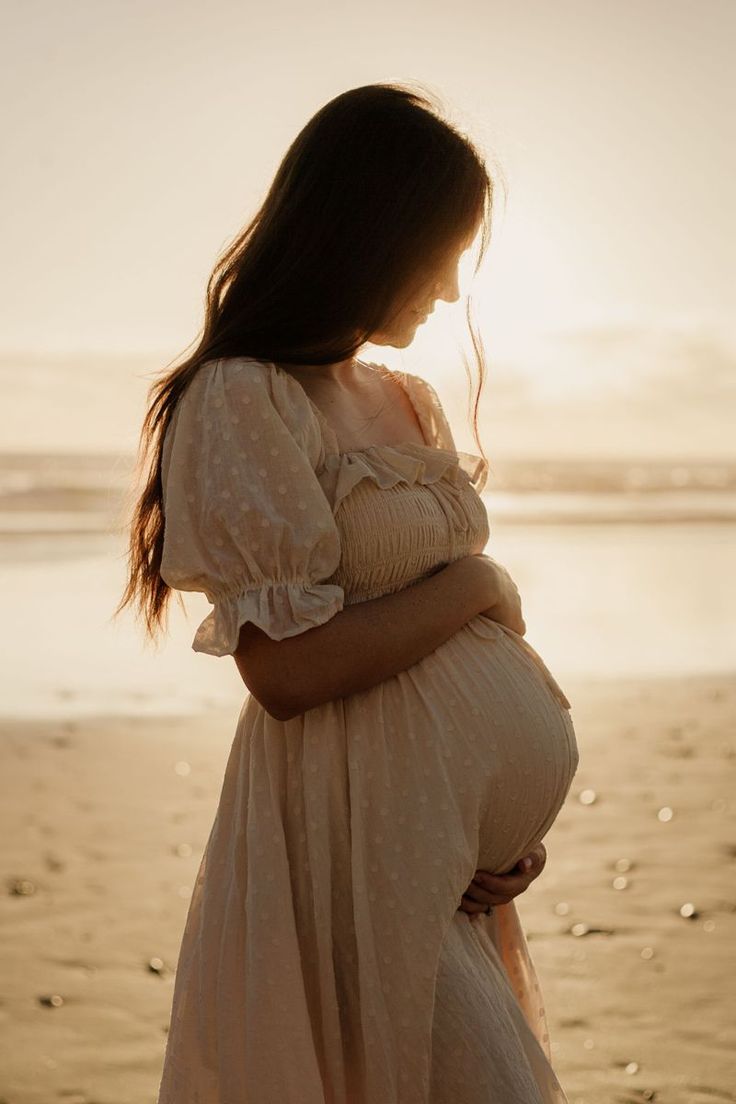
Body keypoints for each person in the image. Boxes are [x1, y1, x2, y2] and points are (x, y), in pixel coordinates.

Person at [117, 81, 579, 1103]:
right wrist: (477, 582)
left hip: (437, 859)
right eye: (442, 253)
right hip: (342, 852)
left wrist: (504, 834)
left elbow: (428, 651)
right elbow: (287, 669)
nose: (454, 291)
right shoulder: (243, 398)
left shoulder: (407, 401)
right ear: (371, 234)